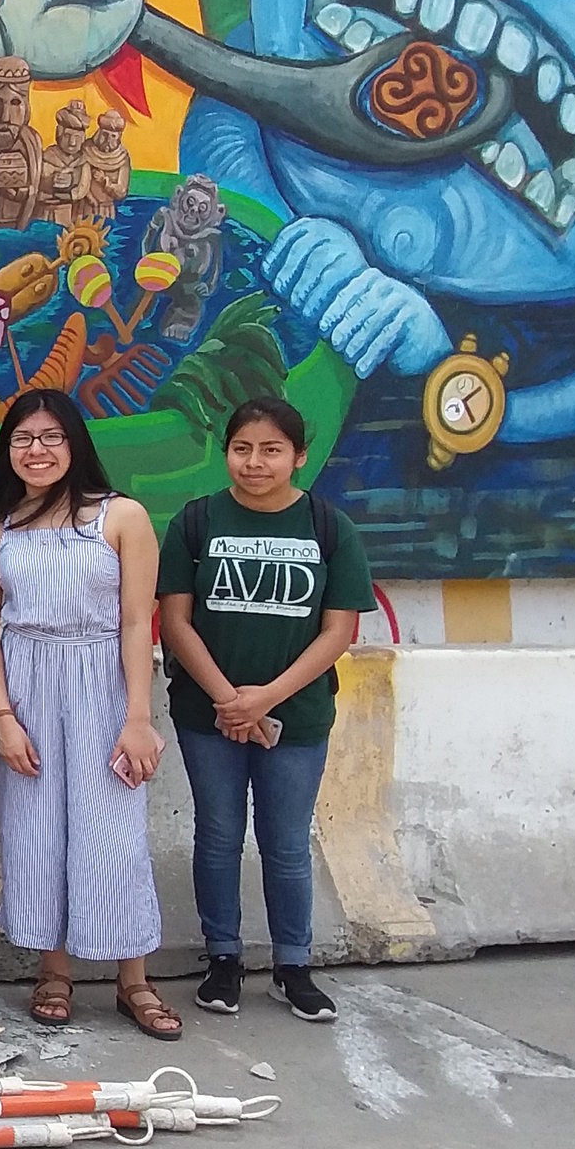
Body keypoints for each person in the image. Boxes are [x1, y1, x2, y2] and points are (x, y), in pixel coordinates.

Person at [0, 391, 177, 1040]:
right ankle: (52, 971)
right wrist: (3, 717)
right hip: (28, 692)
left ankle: (134, 979)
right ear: (7, 450)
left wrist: (139, 717)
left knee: (113, 835)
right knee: (37, 835)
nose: (37, 449)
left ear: (75, 443)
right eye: (23, 437)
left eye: (51, 436)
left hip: (104, 689)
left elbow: (139, 621)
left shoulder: (122, 517)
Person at [159, 397, 371, 1024]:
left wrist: (265, 698)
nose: (255, 462)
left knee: (285, 844)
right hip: (209, 716)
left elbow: (338, 631)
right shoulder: (195, 523)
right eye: (243, 448)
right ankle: (222, 958)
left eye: (272, 450)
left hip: (297, 716)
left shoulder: (331, 527)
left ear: (299, 457)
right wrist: (229, 699)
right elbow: (175, 620)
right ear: (226, 452)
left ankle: (292, 966)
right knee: (218, 837)